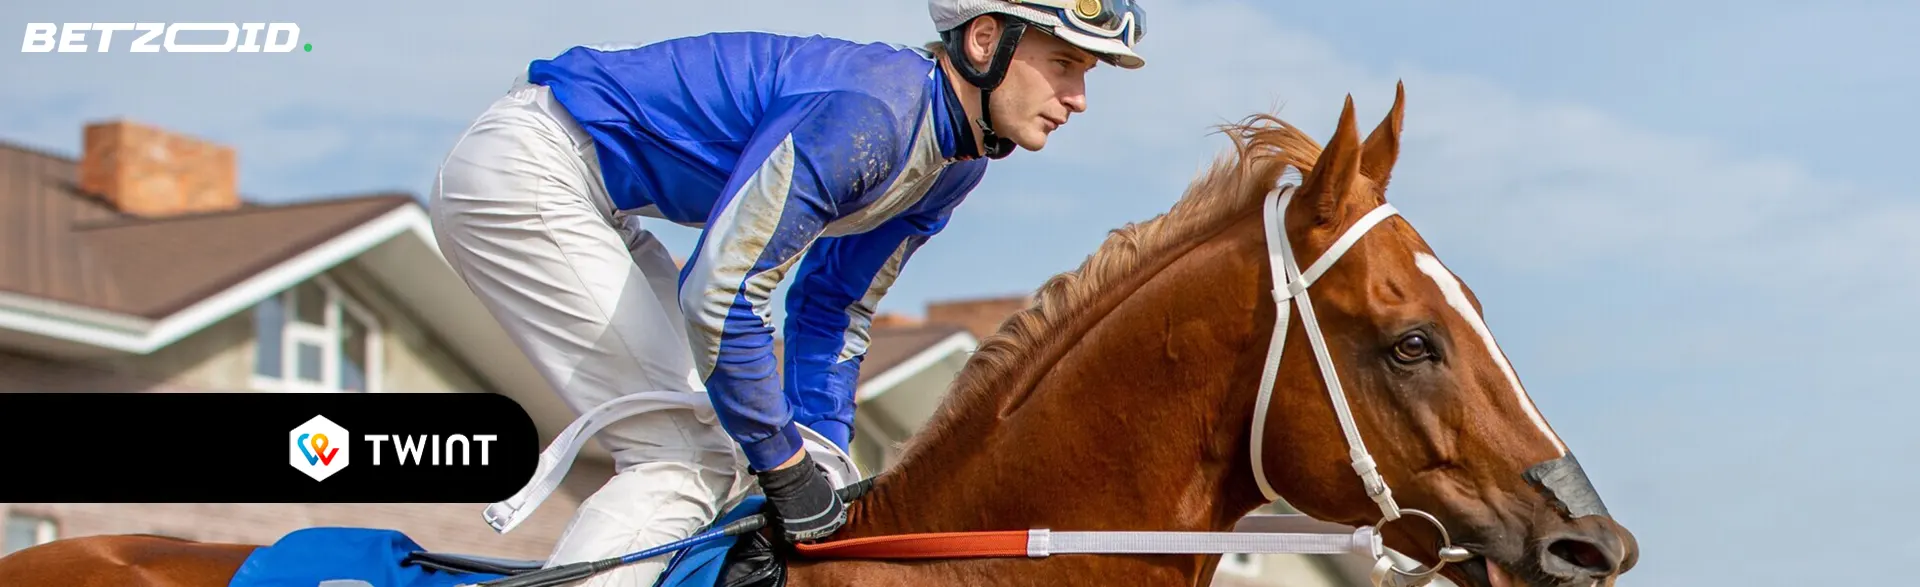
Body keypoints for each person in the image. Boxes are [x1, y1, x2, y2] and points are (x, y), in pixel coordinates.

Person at [427, 0, 1145, 584]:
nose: (1078, 99)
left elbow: (834, 305)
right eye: (1065, 64)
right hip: (527, 172)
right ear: (985, 40)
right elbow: (720, 296)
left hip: (591, 196)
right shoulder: (873, 114)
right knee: (686, 452)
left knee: (723, 447)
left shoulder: (952, 164)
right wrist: (784, 462)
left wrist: (824, 453)